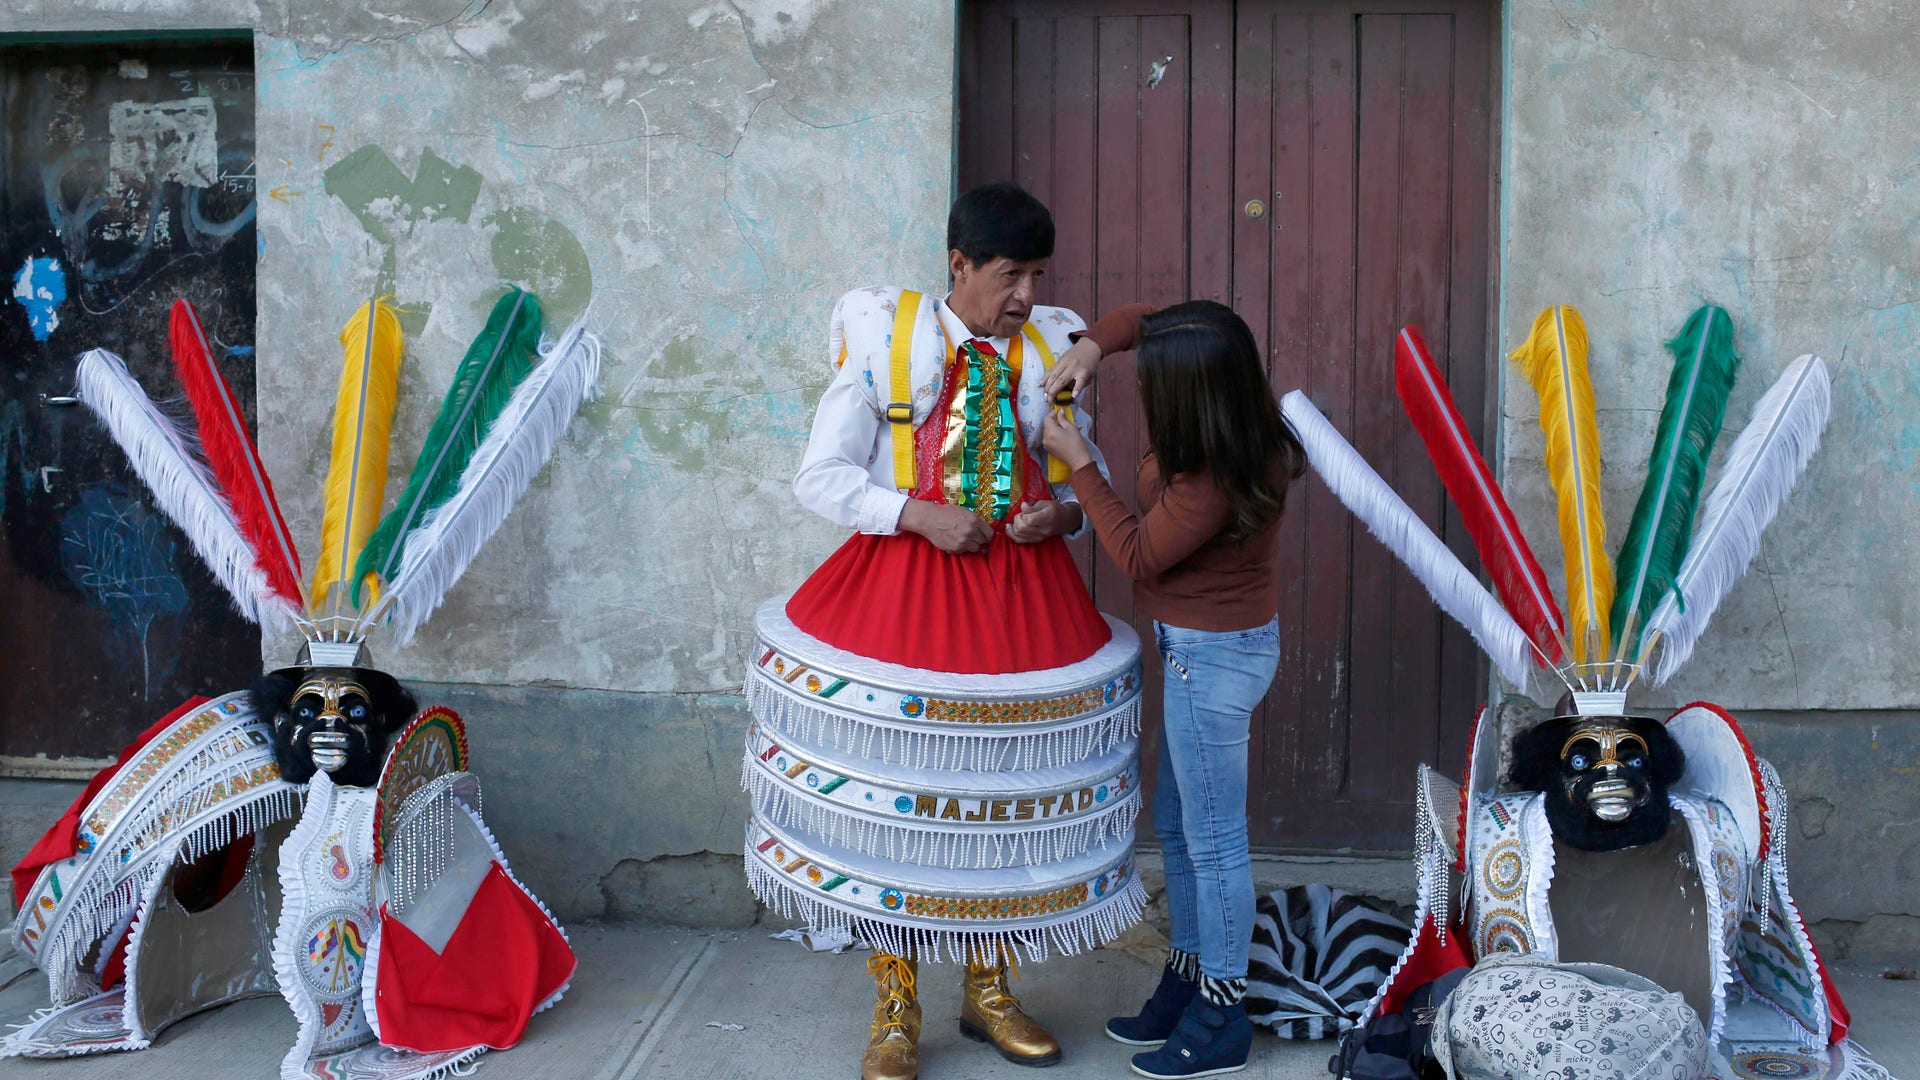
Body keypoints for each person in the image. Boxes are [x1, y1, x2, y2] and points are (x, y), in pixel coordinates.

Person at [740, 182, 1149, 1080]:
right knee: (901, 793)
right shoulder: (891, 344)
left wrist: (1069, 518)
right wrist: (916, 515)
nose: (1026, 296)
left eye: (1038, 275)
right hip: (906, 588)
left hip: (1022, 595)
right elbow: (820, 477)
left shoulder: (1050, 345)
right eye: (1010, 275)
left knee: (1000, 791)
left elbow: (1091, 468)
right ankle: (896, 1003)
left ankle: (988, 990)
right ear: (959, 266)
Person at [1040, 300, 1306, 1080]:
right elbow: (1144, 320)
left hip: (1211, 660)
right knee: (1180, 826)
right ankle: (1187, 976)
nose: (1146, 392)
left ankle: (1222, 1013)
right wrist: (1093, 347)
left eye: (1158, 386)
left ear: (1196, 396)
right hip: (1203, 650)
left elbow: (1137, 554)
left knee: (1214, 841)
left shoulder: (1217, 476)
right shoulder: (1231, 425)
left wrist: (1077, 457)